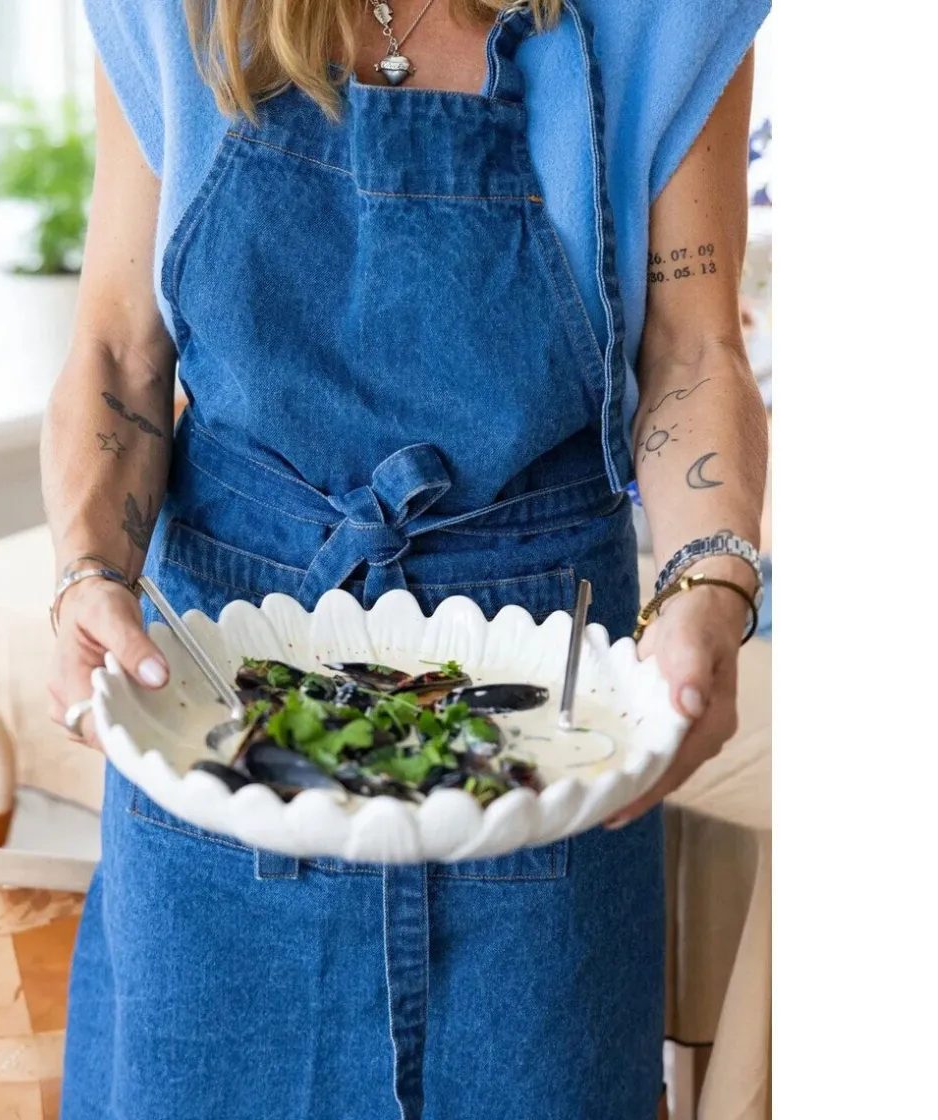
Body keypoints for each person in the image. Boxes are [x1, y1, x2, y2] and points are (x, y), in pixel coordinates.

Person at [42, 0, 770, 1115]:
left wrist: (710, 579)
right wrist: (89, 571)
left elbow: (694, 348)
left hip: (549, 721)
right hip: (214, 704)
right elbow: (119, 344)